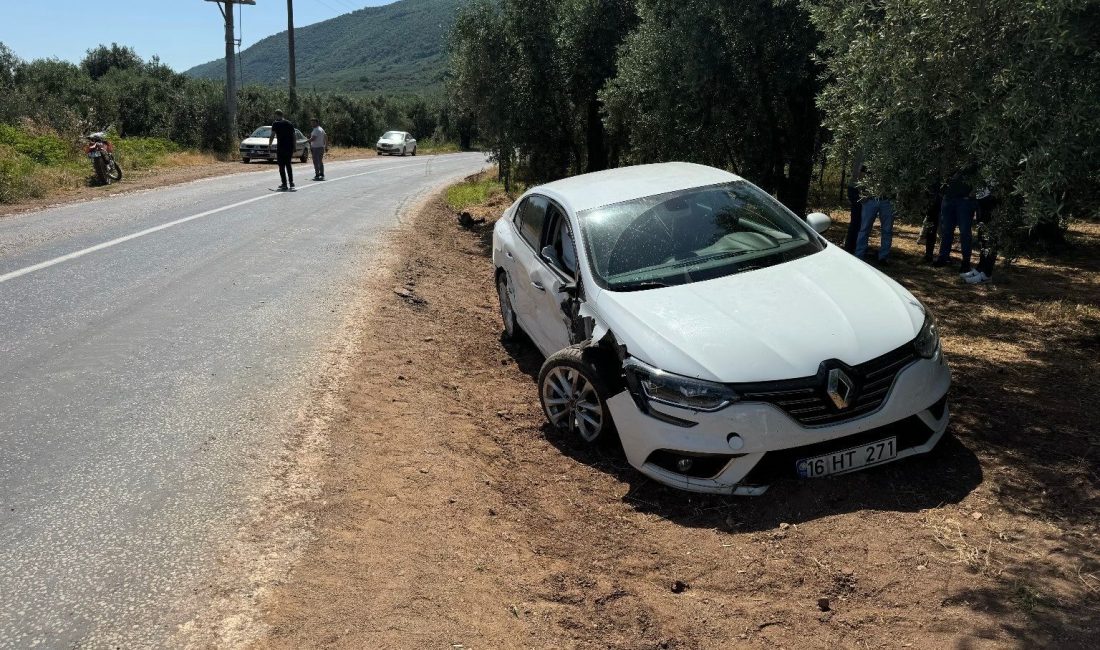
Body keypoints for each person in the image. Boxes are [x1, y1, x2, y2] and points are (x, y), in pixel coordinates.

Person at [935, 165, 978, 271]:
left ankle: (966, 262)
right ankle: (943, 258)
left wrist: (973, 193)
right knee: (946, 231)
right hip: (948, 198)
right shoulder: (951, 155)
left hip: (964, 200)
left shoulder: (974, 160)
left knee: (965, 232)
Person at [962, 186, 998, 284]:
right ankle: (980, 269)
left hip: (991, 199)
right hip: (982, 199)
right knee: (982, 238)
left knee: (989, 240)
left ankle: (986, 274)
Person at [843, 151, 866, 253]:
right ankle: (851, 248)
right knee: (857, 221)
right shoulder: (867, 151)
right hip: (857, 189)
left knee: (857, 221)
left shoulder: (863, 149)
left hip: (854, 188)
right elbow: (860, 172)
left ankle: (851, 246)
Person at [268, 110, 296, 191]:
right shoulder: (289, 123)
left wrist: (270, 144)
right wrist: (294, 146)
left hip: (281, 147)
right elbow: (294, 136)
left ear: (276, 115)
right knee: (288, 165)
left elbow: (272, 135)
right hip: (289, 147)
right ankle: (291, 182)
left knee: (281, 166)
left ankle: (284, 184)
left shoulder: (275, 123)